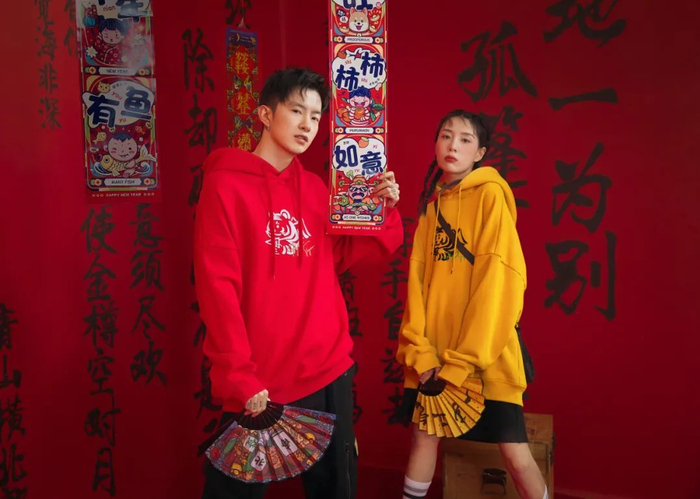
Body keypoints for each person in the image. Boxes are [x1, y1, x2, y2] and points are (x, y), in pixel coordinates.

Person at [194, 67, 403, 499]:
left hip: (328, 366)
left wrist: (380, 209)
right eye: (296, 111)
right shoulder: (224, 186)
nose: (308, 124)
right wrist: (238, 374)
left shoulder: (314, 188)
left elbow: (342, 255)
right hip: (261, 378)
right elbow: (218, 289)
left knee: (336, 488)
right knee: (232, 492)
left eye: (316, 115)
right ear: (265, 115)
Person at [396, 109, 547, 499]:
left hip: (485, 351)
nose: (453, 146)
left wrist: (464, 361)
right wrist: (421, 352)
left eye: (465, 140)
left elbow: (499, 282)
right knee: (424, 438)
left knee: (514, 451)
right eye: (446, 136)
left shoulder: (491, 197)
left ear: (480, 153)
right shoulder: (432, 208)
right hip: (433, 355)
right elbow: (417, 285)